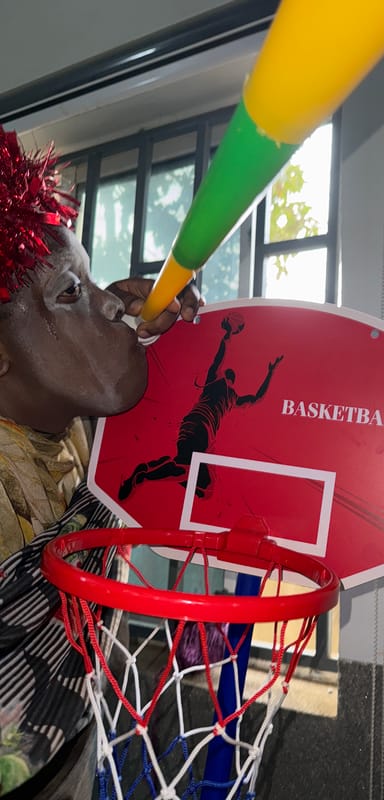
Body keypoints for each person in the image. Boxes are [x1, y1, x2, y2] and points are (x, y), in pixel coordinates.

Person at [0, 127, 203, 797]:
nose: (112, 301)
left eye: (93, 279)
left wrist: (128, 324)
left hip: (70, 744)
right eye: (69, 293)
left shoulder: (73, 421)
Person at [118, 315, 283, 501]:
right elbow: (256, 396)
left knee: (206, 488)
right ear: (233, 380)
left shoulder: (227, 391)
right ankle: (146, 475)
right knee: (186, 468)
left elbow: (221, 363)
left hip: (197, 427)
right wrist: (270, 372)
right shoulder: (222, 387)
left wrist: (229, 336)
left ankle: (159, 468)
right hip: (200, 427)